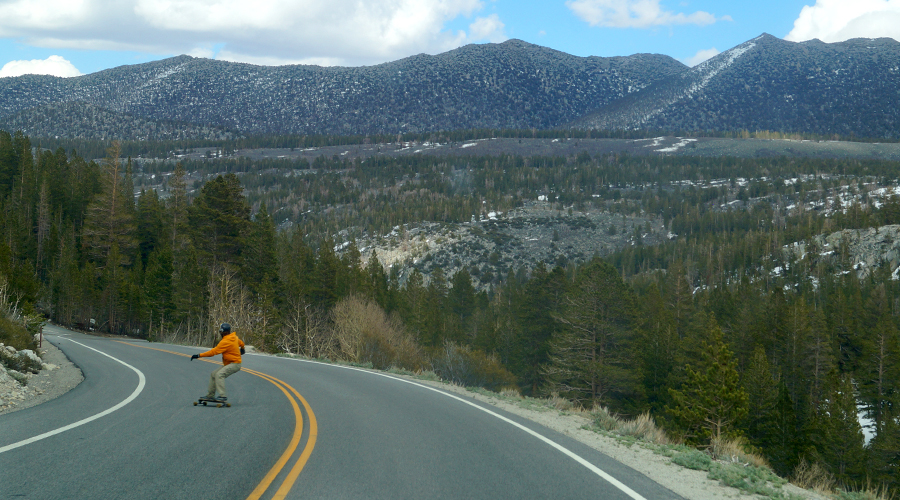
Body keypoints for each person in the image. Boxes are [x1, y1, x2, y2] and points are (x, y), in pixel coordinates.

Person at [191, 323, 246, 402]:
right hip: (231, 363)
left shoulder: (225, 341)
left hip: (235, 364)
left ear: (225, 332)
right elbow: (241, 343)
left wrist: (199, 355)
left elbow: (213, 352)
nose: (220, 333)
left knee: (219, 375)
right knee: (213, 374)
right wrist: (243, 349)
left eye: (221, 331)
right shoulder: (234, 337)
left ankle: (222, 396)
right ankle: (210, 395)